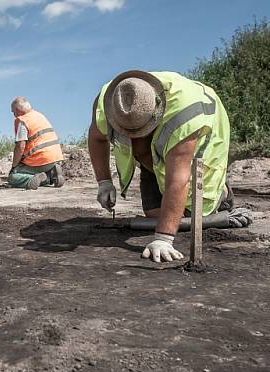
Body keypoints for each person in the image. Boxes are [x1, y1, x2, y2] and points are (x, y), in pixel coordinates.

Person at [88, 70, 248, 263]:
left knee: (192, 208)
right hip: (158, 139)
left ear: (157, 113)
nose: (130, 136)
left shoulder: (184, 116)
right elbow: (97, 138)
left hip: (203, 122)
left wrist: (163, 238)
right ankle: (168, 205)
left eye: (139, 131)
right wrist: (104, 182)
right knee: (155, 213)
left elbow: (178, 180)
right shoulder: (112, 101)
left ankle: (221, 194)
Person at [8, 96, 65, 189]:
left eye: (13, 112)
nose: (14, 115)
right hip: (54, 158)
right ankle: (51, 174)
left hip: (40, 159)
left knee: (13, 177)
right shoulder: (39, 116)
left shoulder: (23, 121)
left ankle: (38, 179)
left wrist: (14, 166)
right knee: (39, 170)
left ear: (17, 110)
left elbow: (20, 146)